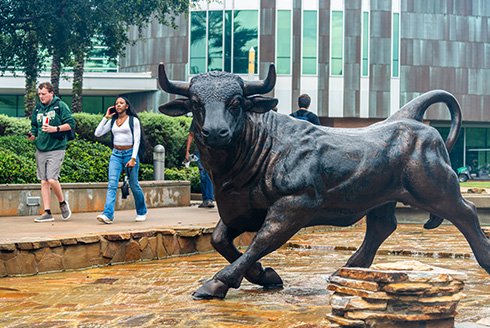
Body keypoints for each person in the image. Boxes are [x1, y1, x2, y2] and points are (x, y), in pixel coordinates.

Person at [94, 96, 148, 224]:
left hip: (130, 154)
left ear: (127, 106)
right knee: (112, 184)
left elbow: (137, 140)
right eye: (116, 103)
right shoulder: (113, 121)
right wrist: (105, 117)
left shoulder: (133, 120)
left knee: (134, 185)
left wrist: (133, 158)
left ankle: (142, 211)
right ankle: (107, 215)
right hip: (116, 155)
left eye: (121, 103)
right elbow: (97, 133)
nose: (118, 105)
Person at [27, 82, 75, 223]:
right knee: (44, 181)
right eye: (39, 94)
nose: (41, 96)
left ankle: (62, 203)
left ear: (51, 93)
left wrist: (55, 129)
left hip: (57, 147)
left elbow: (70, 124)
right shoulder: (37, 109)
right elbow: (34, 127)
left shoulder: (60, 106)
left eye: (43, 94)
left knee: (52, 179)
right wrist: (32, 135)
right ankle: (47, 212)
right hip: (41, 148)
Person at [185, 118, 215, 208]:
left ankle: (209, 199)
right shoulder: (196, 120)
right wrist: (187, 151)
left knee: (208, 174)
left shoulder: (210, 119)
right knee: (202, 174)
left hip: (210, 151)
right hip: (199, 151)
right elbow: (191, 135)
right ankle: (205, 199)